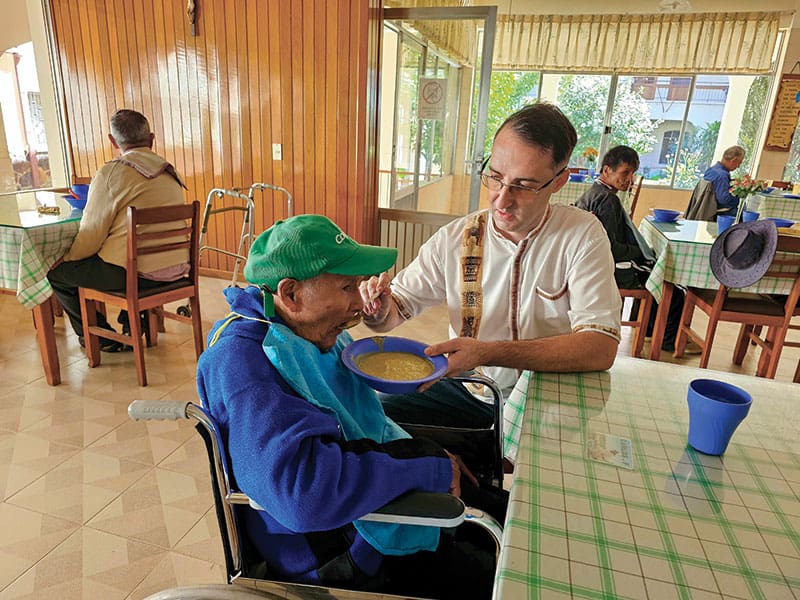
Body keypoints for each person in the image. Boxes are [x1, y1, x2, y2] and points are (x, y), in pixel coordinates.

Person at [196, 214, 503, 600]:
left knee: (507, 510)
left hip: (365, 502)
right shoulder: (244, 364)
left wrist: (426, 457)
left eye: (359, 285)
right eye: (347, 287)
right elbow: (304, 492)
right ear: (290, 294)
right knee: (500, 569)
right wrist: (427, 466)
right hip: (338, 549)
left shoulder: (305, 329)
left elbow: (357, 422)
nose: (360, 303)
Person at [359, 103, 622, 438]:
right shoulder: (457, 238)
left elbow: (600, 347)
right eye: (495, 177)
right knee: (375, 414)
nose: (501, 199)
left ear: (559, 181)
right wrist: (378, 308)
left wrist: (486, 352)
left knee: (543, 473)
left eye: (524, 185)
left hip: (545, 397)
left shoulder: (582, 235)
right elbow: (393, 313)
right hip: (470, 389)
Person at [47, 109, 188, 351]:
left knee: (59, 274)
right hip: (175, 270)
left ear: (113, 141)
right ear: (151, 139)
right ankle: (132, 324)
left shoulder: (111, 172)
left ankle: (101, 338)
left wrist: (65, 259)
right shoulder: (170, 172)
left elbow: (90, 234)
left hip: (135, 277)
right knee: (125, 254)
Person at [574, 145, 698, 354]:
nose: (630, 179)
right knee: (674, 290)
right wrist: (640, 252)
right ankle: (670, 342)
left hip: (593, 266)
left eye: (632, 174)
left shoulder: (595, 193)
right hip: (611, 271)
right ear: (606, 171)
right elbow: (610, 249)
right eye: (625, 173)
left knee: (654, 272)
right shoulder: (607, 200)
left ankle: (650, 331)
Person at [704, 145, 745, 216]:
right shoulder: (722, 176)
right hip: (718, 212)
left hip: (705, 208)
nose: (738, 166)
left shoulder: (712, 170)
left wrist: (733, 187)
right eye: (739, 163)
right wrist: (738, 192)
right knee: (744, 213)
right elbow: (724, 200)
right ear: (734, 160)